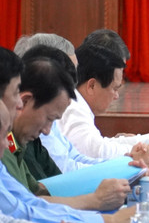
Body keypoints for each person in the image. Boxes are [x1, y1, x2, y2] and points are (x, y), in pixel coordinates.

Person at [0, 59, 135, 222]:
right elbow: (22, 210)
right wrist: (102, 211)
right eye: (15, 94)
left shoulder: (18, 141)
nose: (47, 131)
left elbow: (31, 199)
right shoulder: (9, 143)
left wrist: (125, 165)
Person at [13, 34, 149, 176]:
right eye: (69, 73)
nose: (76, 81)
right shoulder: (39, 123)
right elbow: (66, 171)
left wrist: (127, 162)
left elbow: (76, 158)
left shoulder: (45, 119)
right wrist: (128, 165)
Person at [58, 43, 149, 159]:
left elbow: (100, 144)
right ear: (92, 86)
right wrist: (140, 152)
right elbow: (95, 152)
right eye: (114, 89)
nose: (116, 96)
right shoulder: (73, 109)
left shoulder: (77, 103)